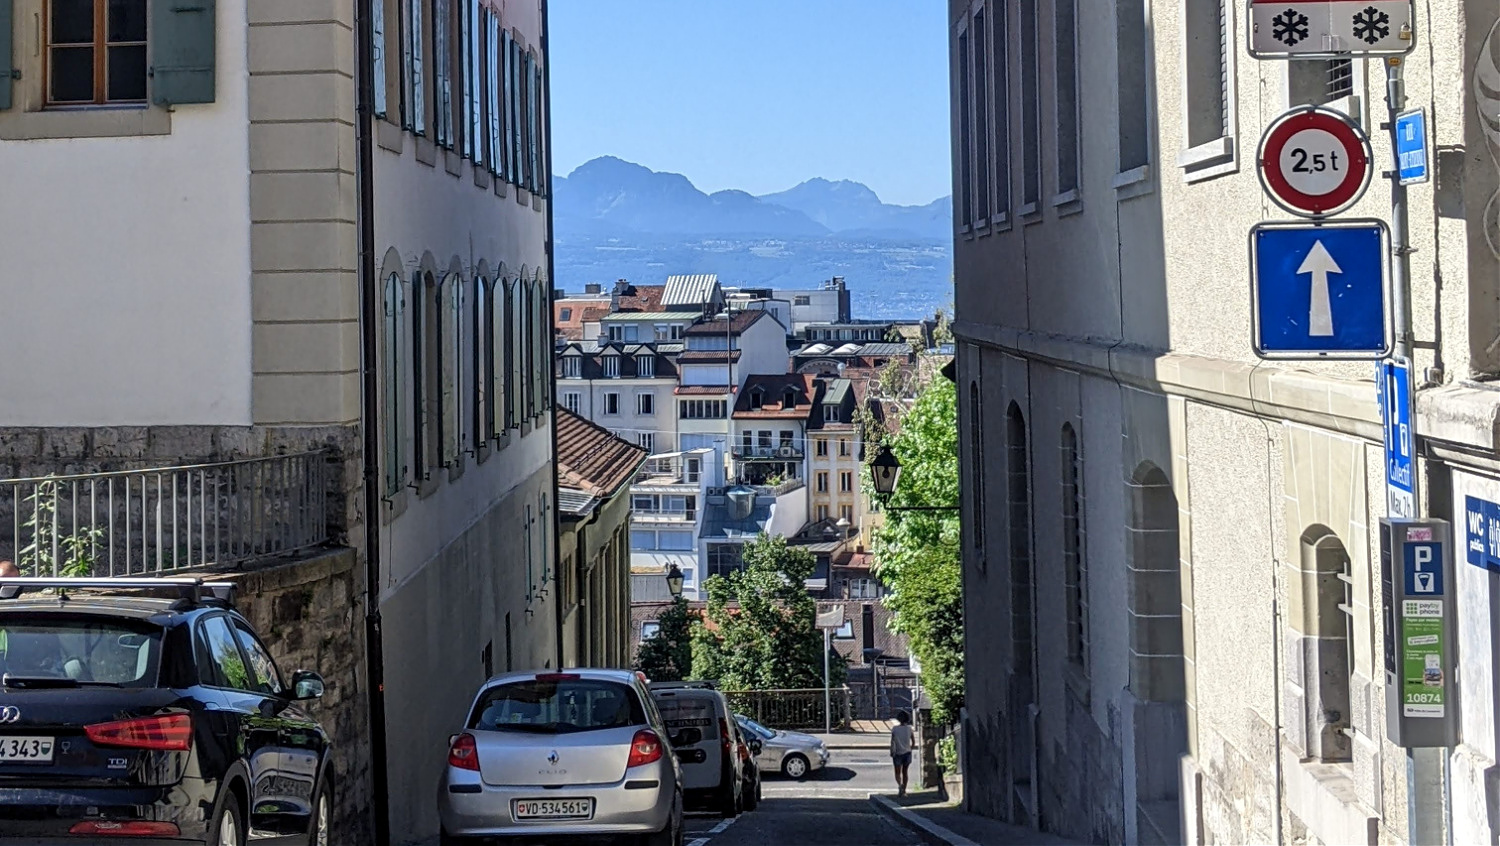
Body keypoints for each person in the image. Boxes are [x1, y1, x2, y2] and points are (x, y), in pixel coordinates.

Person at [890, 710, 915, 798]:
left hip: (897, 752)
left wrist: (892, 751)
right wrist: (910, 749)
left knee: (897, 772)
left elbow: (892, 741)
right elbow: (913, 742)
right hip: (907, 752)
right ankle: (904, 790)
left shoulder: (895, 729)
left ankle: (900, 784)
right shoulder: (909, 729)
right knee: (905, 772)